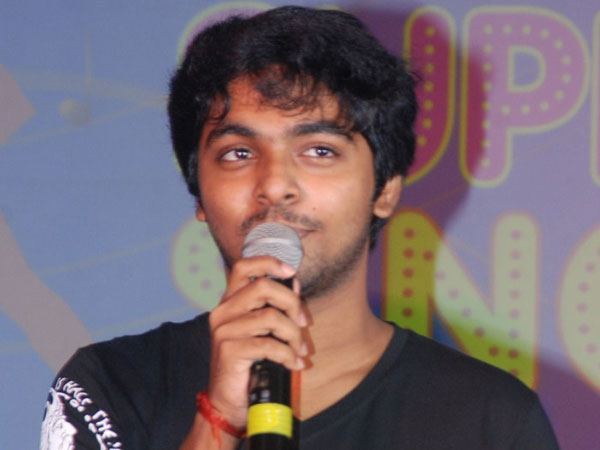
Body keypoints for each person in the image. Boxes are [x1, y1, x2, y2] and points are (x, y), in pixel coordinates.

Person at [40, 6, 560, 450]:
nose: (274, 185)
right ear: (198, 194)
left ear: (384, 190)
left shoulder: (490, 419)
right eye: (238, 153)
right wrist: (218, 421)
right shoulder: (110, 387)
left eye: (319, 151)